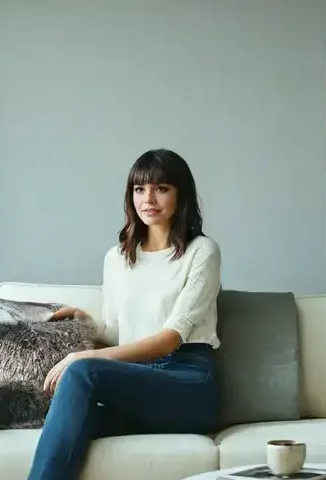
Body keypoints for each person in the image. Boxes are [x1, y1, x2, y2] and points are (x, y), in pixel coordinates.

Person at [27, 148, 222, 480]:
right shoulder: (116, 258)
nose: (148, 198)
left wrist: (80, 358)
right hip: (138, 383)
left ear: (181, 195)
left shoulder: (201, 251)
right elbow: (120, 333)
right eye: (139, 189)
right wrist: (86, 323)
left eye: (161, 188)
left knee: (82, 372)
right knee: (77, 420)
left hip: (188, 382)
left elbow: (169, 340)